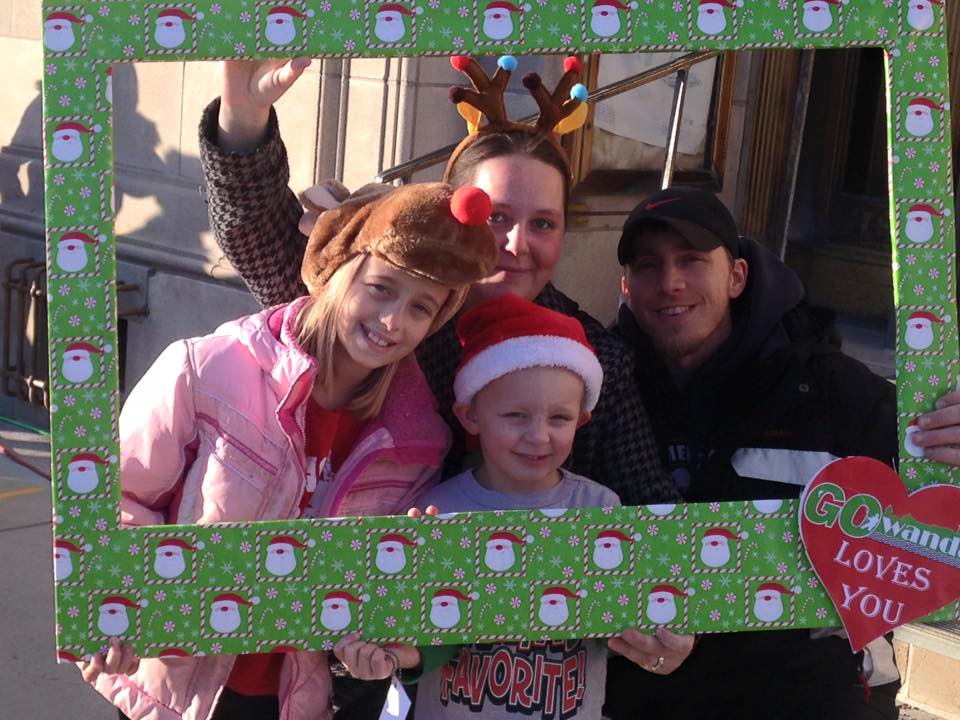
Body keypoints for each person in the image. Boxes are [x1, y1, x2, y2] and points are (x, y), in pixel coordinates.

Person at [199, 56, 687, 717]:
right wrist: (243, 119)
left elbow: (650, 511)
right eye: (495, 216)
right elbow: (263, 240)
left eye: (544, 222)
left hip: (521, 684)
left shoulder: (591, 357)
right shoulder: (390, 318)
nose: (516, 244)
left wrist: (670, 616)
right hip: (348, 667)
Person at [77, 182, 500, 720]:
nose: (393, 320)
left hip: (288, 701)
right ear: (337, 271)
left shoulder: (416, 443)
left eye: (421, 307)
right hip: (173, 682)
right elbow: (117, 501)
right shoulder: (206, 369)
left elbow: (370, 597)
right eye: (380, 288)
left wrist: (399, 603)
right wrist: (116, 602)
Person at [605, 186, 907, 719]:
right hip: (639, 693)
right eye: (648, 265)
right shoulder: (594, 391)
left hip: (807, 694)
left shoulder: (829, 389)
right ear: (627, 287)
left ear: (737, 276)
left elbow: (929, 511)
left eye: (692, 260)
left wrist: (946, 443)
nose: (670, 282)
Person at [334, 292, 657, 718]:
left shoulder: (599, 509)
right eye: (516, 416)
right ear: (470, 415)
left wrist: (647, 628)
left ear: (581, 420)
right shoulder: (438, 510)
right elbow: (428, 638)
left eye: (559, 418)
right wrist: (401, 644)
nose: (538, 436)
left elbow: (615, 629)